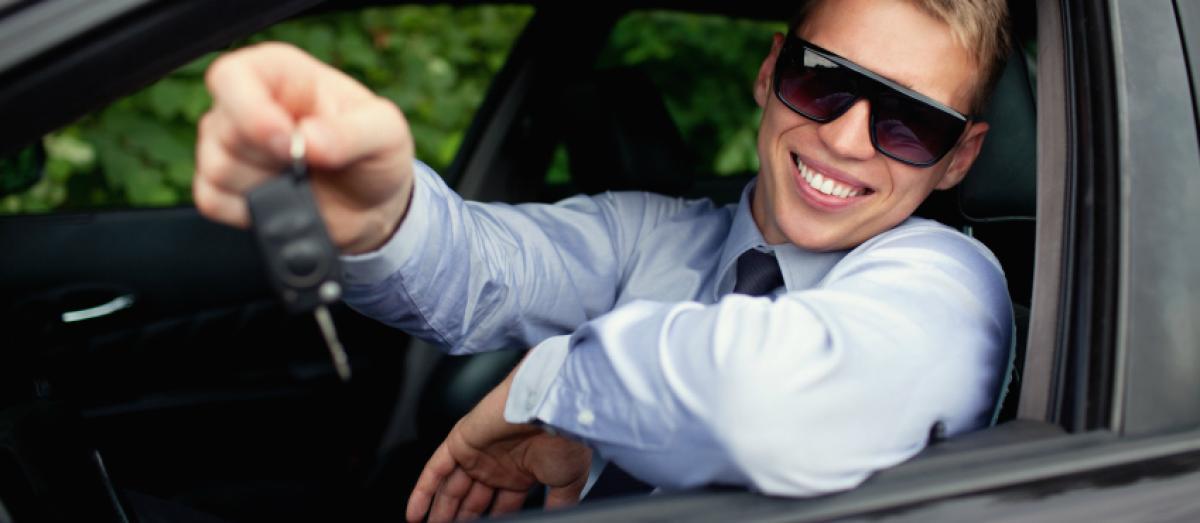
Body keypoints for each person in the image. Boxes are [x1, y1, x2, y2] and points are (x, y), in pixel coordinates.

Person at [193, 0, 1014, 521]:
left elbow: (759, 406)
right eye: (823, 82)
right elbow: (479, 266)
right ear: (770, 72)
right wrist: (379, 212)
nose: (843, 137)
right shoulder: (651, 235)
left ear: (958, 159)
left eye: (911, 125)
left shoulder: (946, 283)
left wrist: (555, 383)